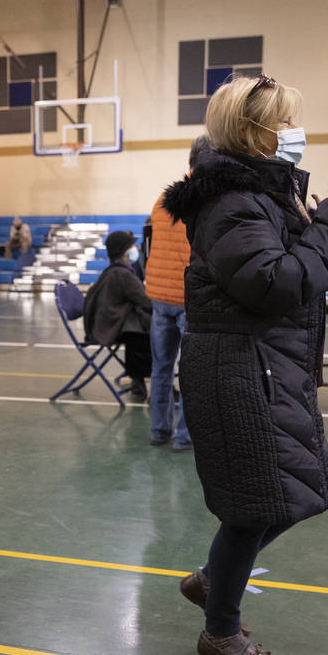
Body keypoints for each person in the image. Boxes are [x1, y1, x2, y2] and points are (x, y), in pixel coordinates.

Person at [162, 74, 328, 655]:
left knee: (297, 493)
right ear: (252, 132)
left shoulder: (266, 193)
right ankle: (220, 631)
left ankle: (215, 580)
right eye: (285, 121)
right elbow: (277, 282)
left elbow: (315, 271)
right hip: (240, 369)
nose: (295, 132)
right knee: (255, 507)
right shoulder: (230, 201)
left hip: (267, 365)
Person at [144, 135, 210, 451]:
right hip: (187, 298)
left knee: (161, 368)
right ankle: (185, 437)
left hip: (158, 298)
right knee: (191, 373)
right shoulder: (208, 200)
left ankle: (160, 431)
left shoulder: (163, 198)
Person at [82, 231, 153, 402]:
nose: (135, 248)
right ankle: (155, 384)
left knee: (138, 327)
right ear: (124, 252)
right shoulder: (123, 274)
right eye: (131, 246)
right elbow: (146, 301)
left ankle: (138, 381)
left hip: (107, 324)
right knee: (150, 329)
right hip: (110, 328)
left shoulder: (114, 271)